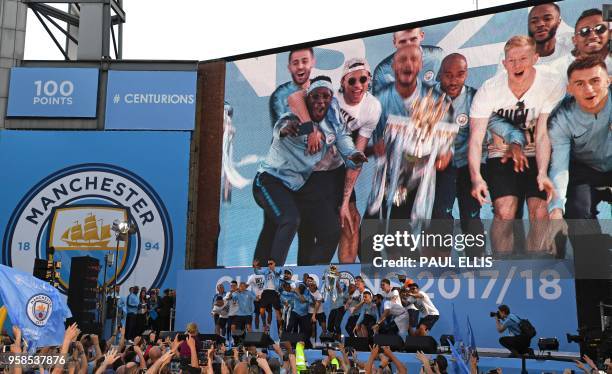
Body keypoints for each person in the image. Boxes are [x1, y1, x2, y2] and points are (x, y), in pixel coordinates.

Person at [253, 76, 367, 265]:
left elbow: (344, 140)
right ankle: (273, 276)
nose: (320, 102)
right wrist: (296, 129)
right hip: (270, 181)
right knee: (289, 220)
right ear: (308, 98)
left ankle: (309, 276)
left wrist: (353, 154)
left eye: (325, 97)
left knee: (331, 230)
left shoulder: (332, 120)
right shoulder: (293, 118)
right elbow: (283, 126)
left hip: (298, 185)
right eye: (315, 97)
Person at [468, 35, 566, 255]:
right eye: (511, 60)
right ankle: (504, 269)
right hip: (501, 155)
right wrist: (476, 177)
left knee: (540, 212)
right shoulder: (489, 89)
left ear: (535, 58)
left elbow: (542, 134)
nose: (517, 65)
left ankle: (535, 269)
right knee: (504, 212)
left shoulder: (551, 82)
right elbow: (475, 139)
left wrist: (542, 172)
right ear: (504, 63)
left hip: (536, 152)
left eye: (523, 58)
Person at [288, 57, 382, 263]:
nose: (358, 86)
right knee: (310, 230)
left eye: (363, 80)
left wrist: (345, 201)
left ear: (369, 80)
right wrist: (310, 129)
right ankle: (308, 282)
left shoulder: (372, 107)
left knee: (350, 219)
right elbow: (295, 98)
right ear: (342, 82)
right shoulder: (328, 94)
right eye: (352, 81)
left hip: (337, 168)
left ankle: (346, 279)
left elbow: (354, 158)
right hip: (309, 172)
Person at [539, 57, 611, 270]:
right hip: (585, 170)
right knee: (577, 214)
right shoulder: (562, 118)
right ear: (570, 89)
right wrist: (556, 210)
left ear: (608, 80)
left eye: (595, 81)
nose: (589, 88)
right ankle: (596, 278)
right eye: (580, 83)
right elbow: (559, 166)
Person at [372, 28, 444, 96]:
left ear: (421, 36)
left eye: (413, 40)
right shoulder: (382, 71)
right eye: (403, 41)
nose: (409, 46)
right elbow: (379, 106)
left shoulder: (437, 57)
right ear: (395, 42)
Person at [557, 9, 612, 79]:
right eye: (584, 31)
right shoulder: (559, 70)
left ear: (610, 34)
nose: (593, 36)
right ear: (574, 40)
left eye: (600, 29)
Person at [269, 48, 316, 127]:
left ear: (312, 63)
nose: (300, 66)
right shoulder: (280, 95)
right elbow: (280, 130)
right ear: (289, 67)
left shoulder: (322, 89)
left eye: (304, 61)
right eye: (295, 63)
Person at [253, 259, 283, 333]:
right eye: (268, 264)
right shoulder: (266, 270)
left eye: (271, 263)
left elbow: (277, 273)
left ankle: (281, 328)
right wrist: (255, 266)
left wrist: (272, 269)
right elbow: (257, 272)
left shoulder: (278, 269)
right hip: (266, 292)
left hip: (274, 292)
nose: (269, 265)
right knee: (261, 311)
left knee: (277, 312)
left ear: (274, 263)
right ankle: (265, 326)